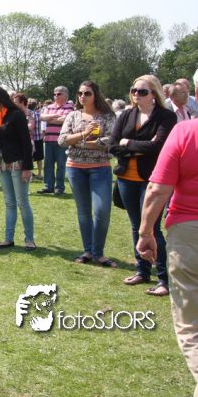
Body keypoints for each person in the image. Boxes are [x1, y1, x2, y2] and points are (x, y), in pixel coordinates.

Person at [138, 60, 198, 397]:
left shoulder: (186, 131)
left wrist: (145, 231)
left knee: (194, 334)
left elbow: (157, 189)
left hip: (194, 237)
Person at [109, 75, 177, 297]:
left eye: (142, 91)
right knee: (135, 225)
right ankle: (142, 271)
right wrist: (139, 148)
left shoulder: (166, 117)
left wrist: (128, 143)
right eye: (134, 90)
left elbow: (159, 147)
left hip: (152, 180)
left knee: (152, 228)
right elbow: (112, 145)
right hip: (126, 178)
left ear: (154, 94)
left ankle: (164, 278)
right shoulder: (126, 114)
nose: (136, 94)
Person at [58, 81, 117, 267]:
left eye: (87, 93)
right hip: (75, 168)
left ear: (95, 95)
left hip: (100, 167)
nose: (82, 96)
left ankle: (98, 253)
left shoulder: (107, 116)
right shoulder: (73, 115)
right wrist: (84, 134)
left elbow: (111, 141)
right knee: (83, 212)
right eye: (80, 93)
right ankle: (88, 251)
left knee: (102, 211)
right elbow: (62, 140)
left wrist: (82, 143)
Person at [0, 87, 36, 250]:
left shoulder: (16, 115)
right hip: (3, 163)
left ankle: (29, 239)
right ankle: (8, 238)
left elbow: (26, 142)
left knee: (22, 202)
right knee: (9, 203)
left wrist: (27, 168)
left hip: (18, 163)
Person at [38, 86, 75, 194]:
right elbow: (41, 117)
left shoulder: (70, 107)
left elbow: (65, 120)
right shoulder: (49, 107)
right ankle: (48, 186)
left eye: (59, 94)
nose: (56, 96)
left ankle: (59, 187)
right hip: (48, 140)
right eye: (54, 94)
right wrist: (55, 116)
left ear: (65, 95)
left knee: (61, 165)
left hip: (62, 141)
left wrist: (49, 118)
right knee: (48, 165)